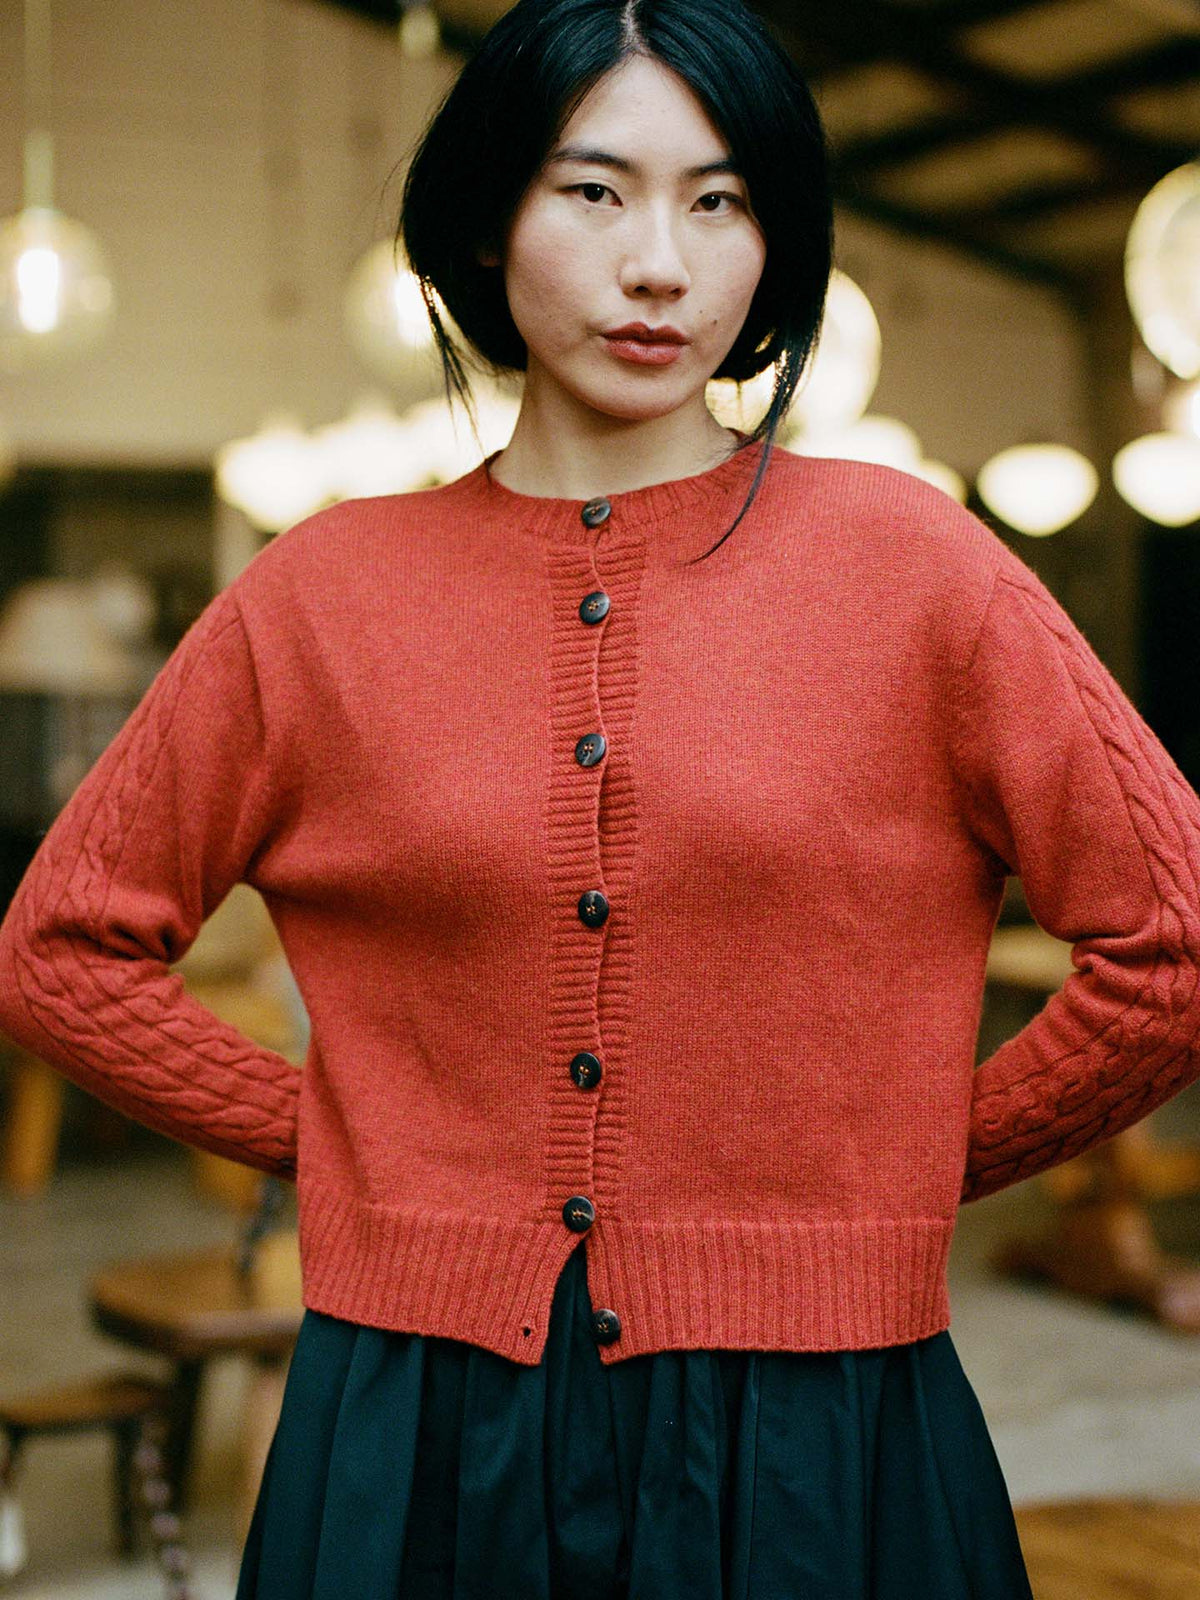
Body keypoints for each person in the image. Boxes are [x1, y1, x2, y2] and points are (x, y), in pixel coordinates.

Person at [1, 1, 1199, 1595]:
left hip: (815, 1421)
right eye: (595, 191)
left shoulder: (918, 569)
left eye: (724, 201)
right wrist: (343, 1141)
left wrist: (898, 1162)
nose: (664, 263)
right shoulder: (319, 598)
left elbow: (1172, 937)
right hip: (411, 1417)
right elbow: (61, 952)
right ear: (488, 222)